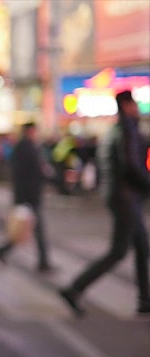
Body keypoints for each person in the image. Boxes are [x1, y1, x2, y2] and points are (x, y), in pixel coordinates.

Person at [59, 90, 150, 317]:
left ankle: (145, 299)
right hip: (126, 198)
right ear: (127, 105)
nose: (137, 108)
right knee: (118, 251)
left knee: (142, 248)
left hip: (122, 196)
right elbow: (131, 165)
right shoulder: (126, 130)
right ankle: (75, 288)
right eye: (134, 104)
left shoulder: (118, 129)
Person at [0, 122, 54, 273]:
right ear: (30, 131)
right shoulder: (25, 148)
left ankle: (4, 250)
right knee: (34, 229)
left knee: (25, 228)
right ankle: (43, 262)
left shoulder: (25, 146)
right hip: (29, 197)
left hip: (28, 196)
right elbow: (25, 174)